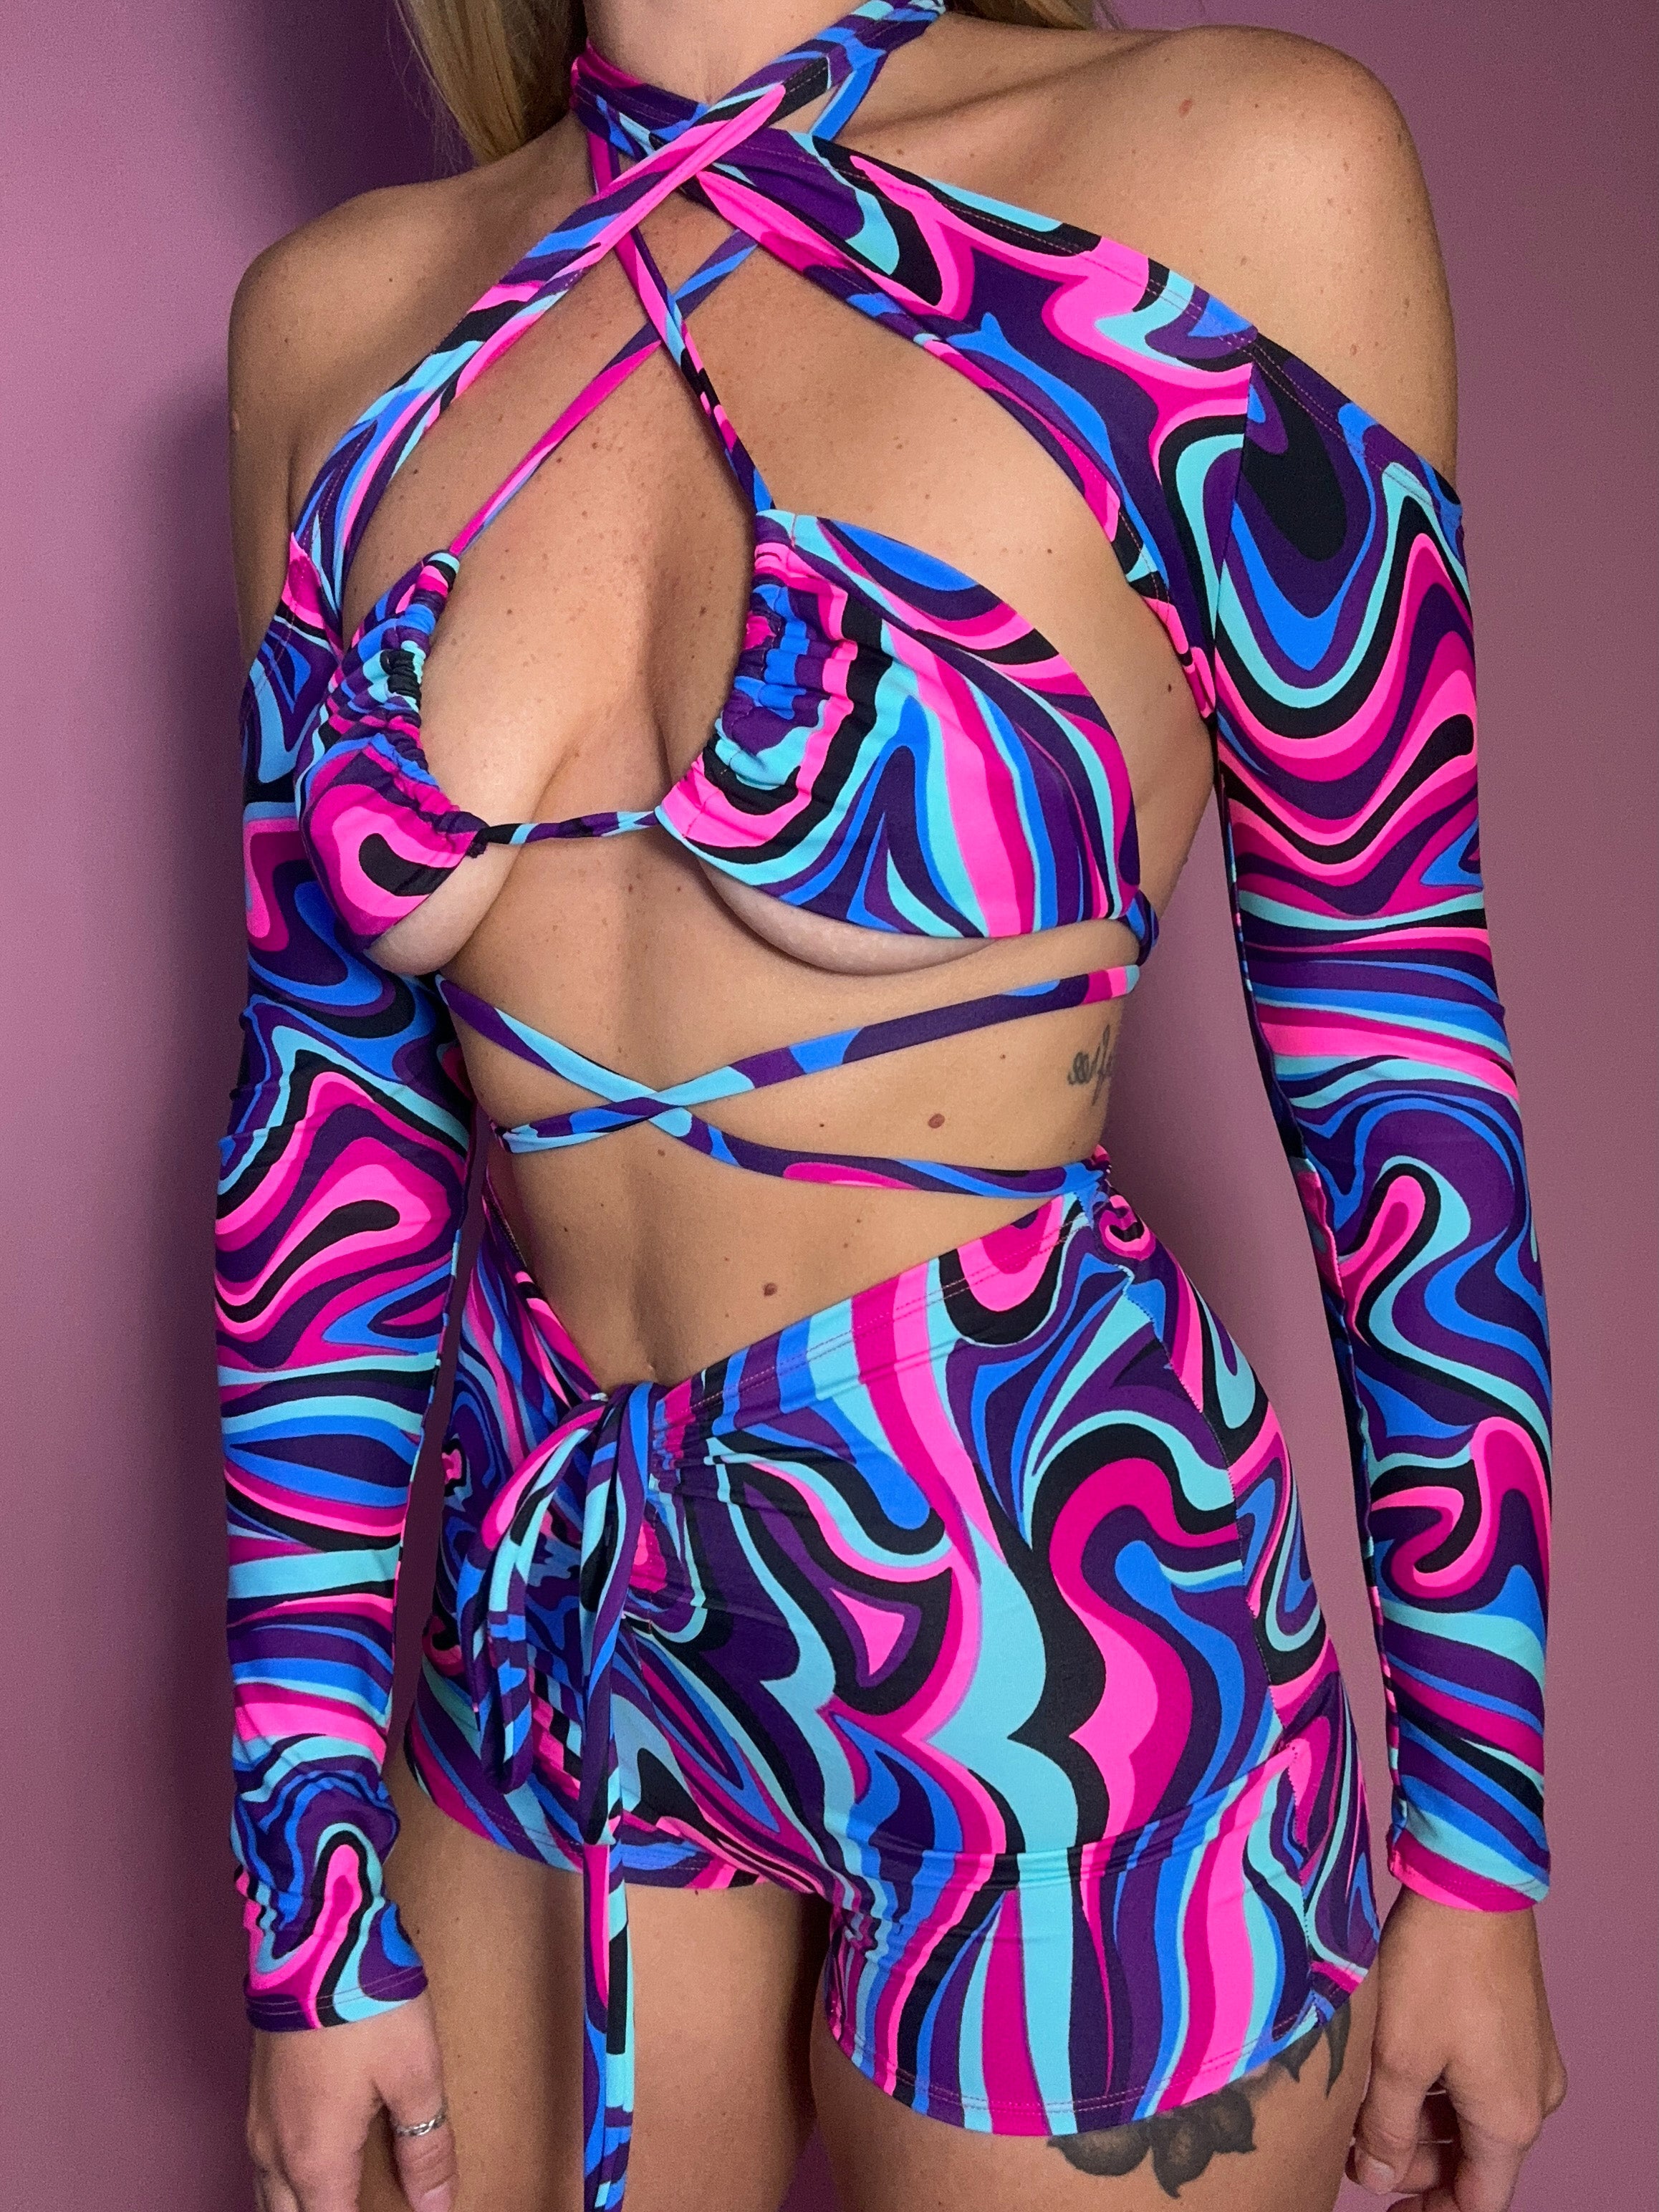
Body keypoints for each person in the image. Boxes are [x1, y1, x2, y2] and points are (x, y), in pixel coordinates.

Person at [218, 4, 1565, 2208]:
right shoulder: (342, 319)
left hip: (1068, 1645)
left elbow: (1393, 1046)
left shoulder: (1227, 172)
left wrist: (1477, 1847)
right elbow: (318, 1152)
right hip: (541, 1664)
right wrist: (304, 1886)